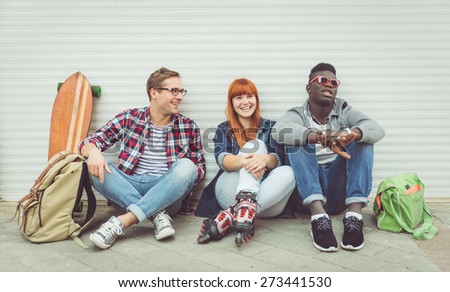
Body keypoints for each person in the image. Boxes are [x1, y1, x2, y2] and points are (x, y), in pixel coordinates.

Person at [79, 67, 206, 249]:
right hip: (128, 187)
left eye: (181, 91)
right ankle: (156, 215)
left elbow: (199, 168)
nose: (180, 96)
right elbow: (90, 142)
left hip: (167, 193)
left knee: (188, 166)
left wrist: (174, 181)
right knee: (95, 166)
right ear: (154, 92)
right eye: (174, 91)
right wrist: (92, 152)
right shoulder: (129, 118)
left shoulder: (188, 126)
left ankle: (123, 221)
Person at [272, 63, 385, 252]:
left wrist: (352, 134)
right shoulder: (297, 114)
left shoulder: (344, 110)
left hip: (338, 192)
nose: (329, 85)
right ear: (309, 88)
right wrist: (316, 137)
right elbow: (279, 130)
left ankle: (354, 217)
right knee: (296, 140)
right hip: (306, 197)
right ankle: (319, 220)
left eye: (334, 82)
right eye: (323, 80)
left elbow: (376, 128)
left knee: (363, 139)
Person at [196, 78, 295, 247]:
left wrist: (265, 159)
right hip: (230, 192)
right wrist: (248, 159)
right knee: (256, 145)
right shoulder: (223, 129)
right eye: (238, 97)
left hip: (268, 201)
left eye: (249, 96)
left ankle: (233, 214)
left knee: (289, 171)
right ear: (231, 102)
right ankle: (243, 206)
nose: (245, 102)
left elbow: (277, 160)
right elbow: (224, 161)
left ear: (256, 99)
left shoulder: (272, 127)